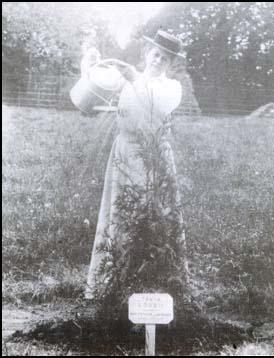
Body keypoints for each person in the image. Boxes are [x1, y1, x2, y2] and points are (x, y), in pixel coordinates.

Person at [84, 30, 189, 300]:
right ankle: (113, 285)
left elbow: (154, 105)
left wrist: (133, 78)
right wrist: (91, 60)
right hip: (125, 152)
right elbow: (95, 85)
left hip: (153, 156)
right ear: (147, 53)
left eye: (165, 59)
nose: (158, 61)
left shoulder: (171, 89)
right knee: (120, 213)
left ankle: (156, 284)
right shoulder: (127, 77)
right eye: (156, 54)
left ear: (171, 64)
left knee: (153, 214)